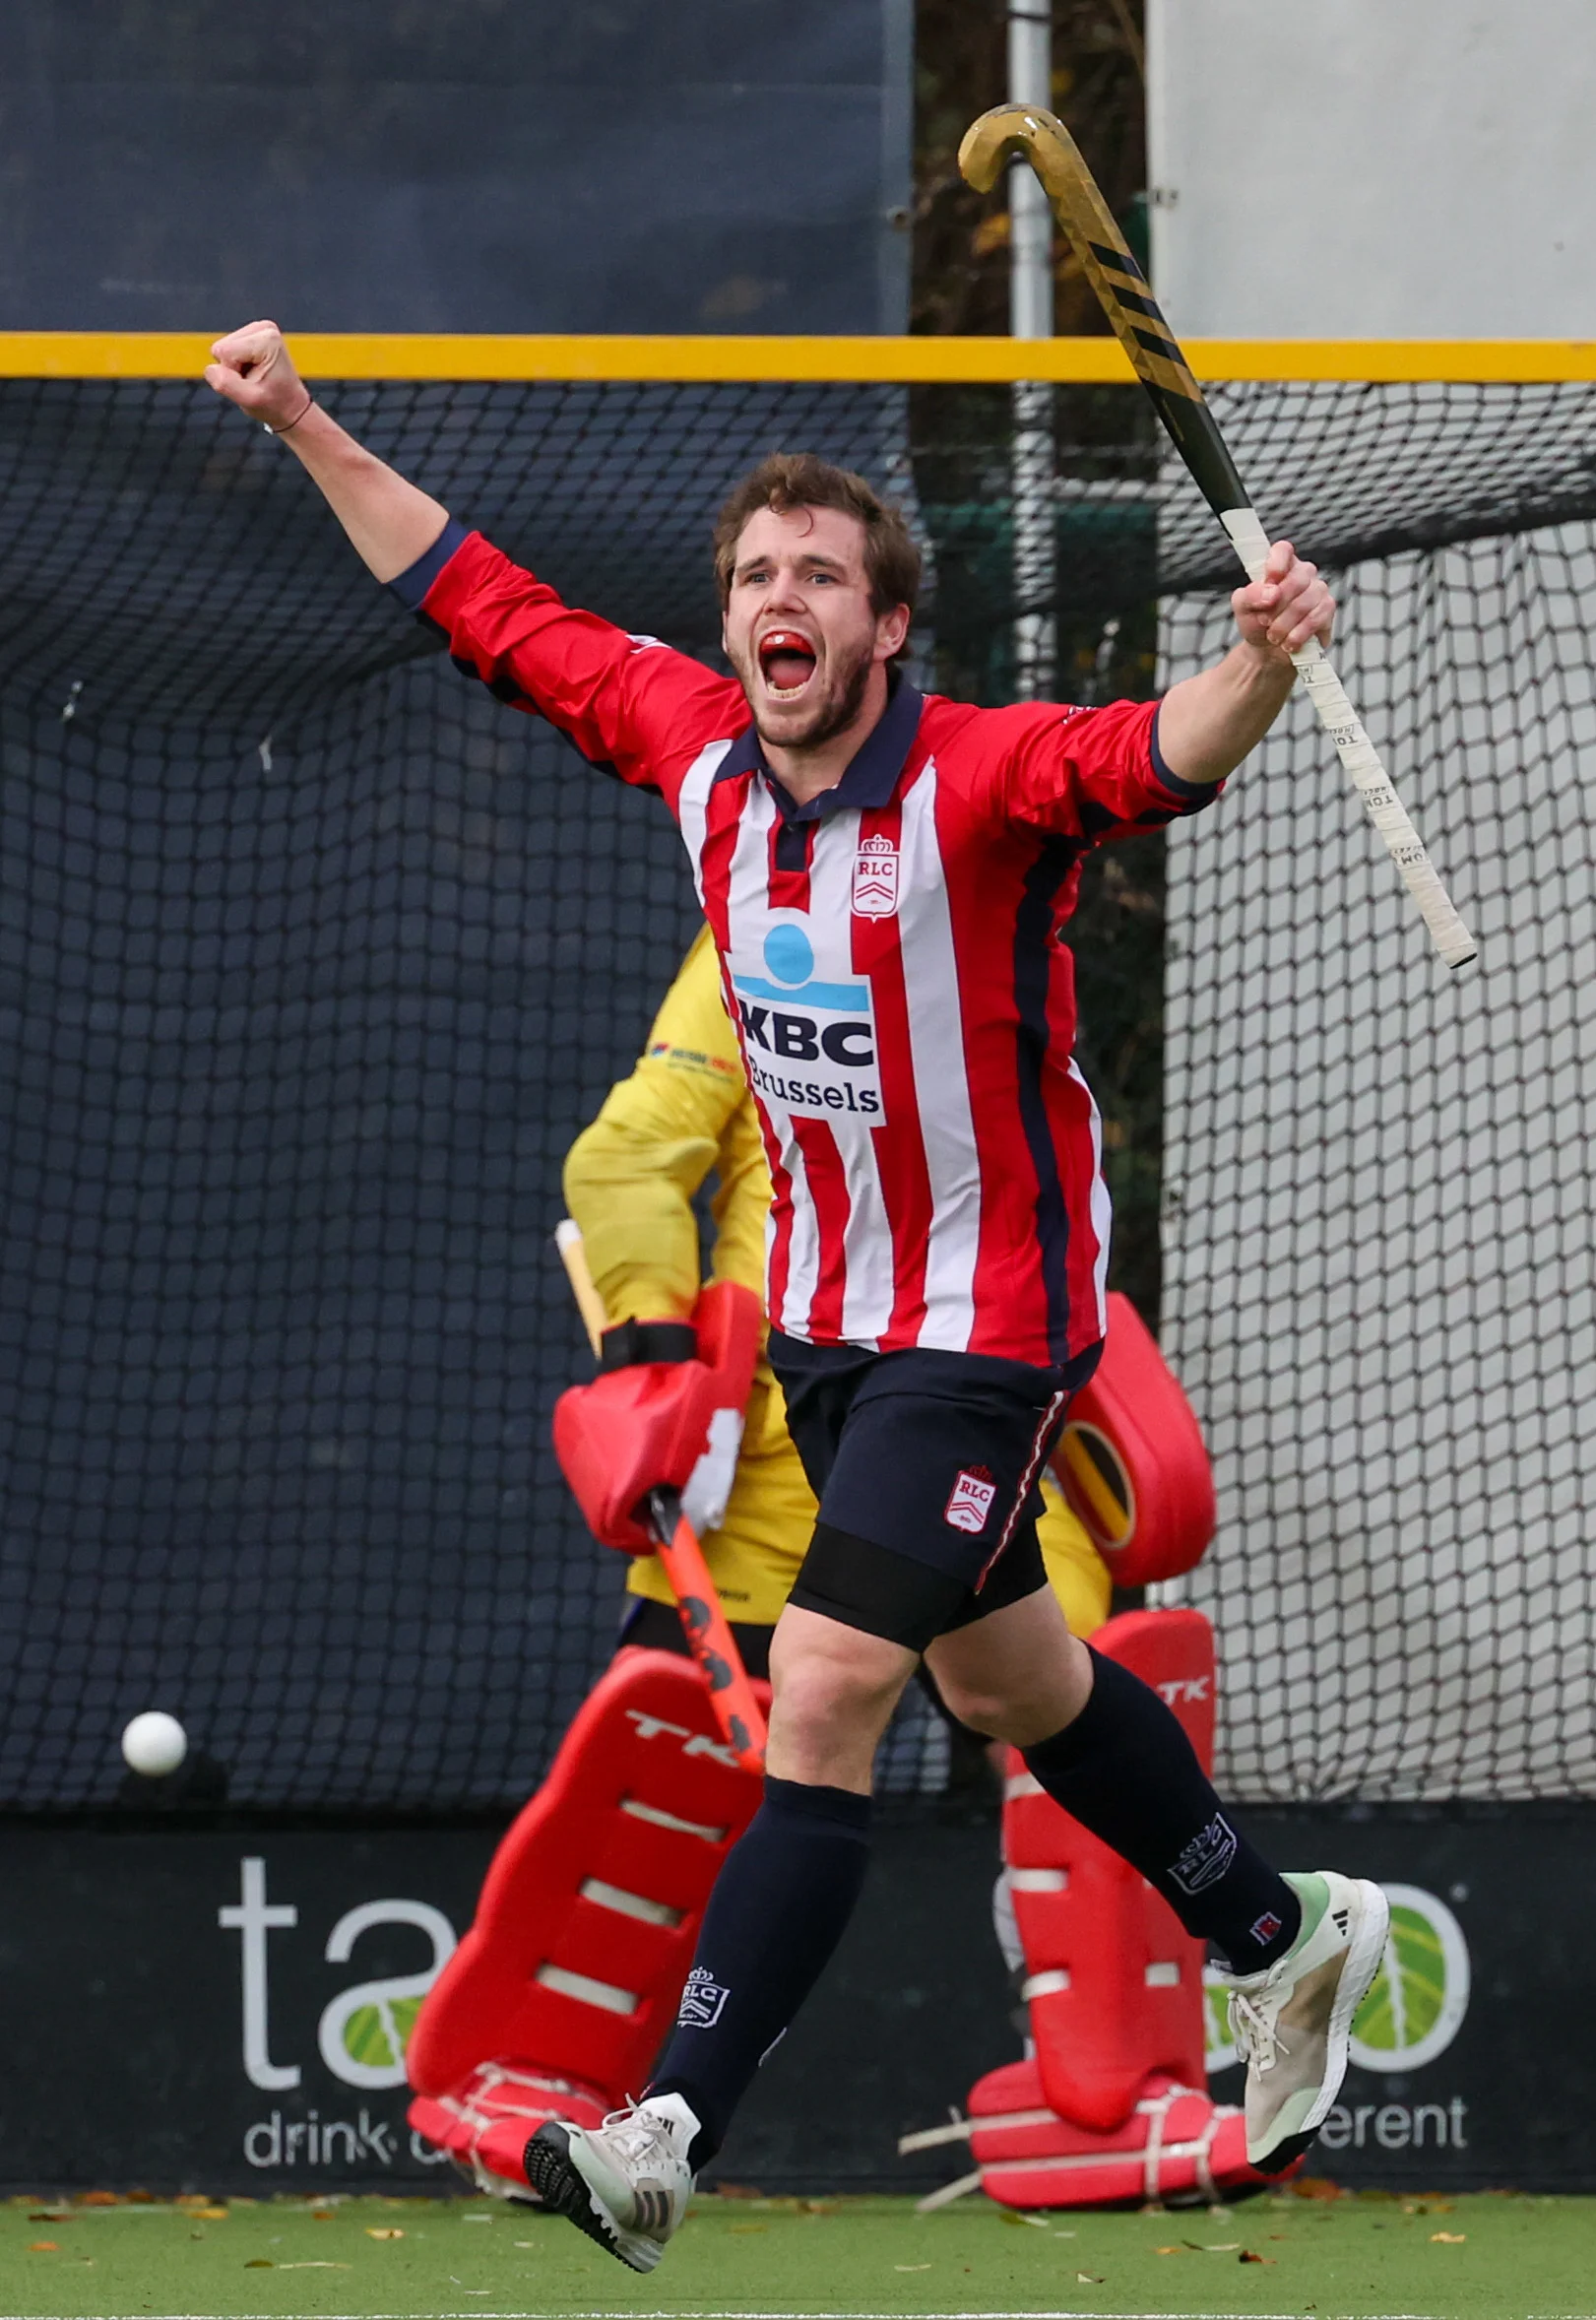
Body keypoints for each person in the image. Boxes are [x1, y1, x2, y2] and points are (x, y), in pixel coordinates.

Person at [205, 322, 1390, 2272]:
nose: (780, 599)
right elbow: (479, 598)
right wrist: (307, 419)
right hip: (835, 1350)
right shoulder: (695, 750)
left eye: (820, 576)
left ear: (887, 627)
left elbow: (1151, 755)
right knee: (1014, 1681)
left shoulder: (987, 776)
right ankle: (1279, 1927)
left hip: (989, 1333)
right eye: (757, 575)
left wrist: (1258, 656)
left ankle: (671, 2131)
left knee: (822, 1688)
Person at [408, 927, 1257, 2207]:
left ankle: (1130, 2085)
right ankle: (560, 2088)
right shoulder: (770, 906)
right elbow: (633, 1150)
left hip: (971, 1410)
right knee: (696, 1741)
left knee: (1039, 1705)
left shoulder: (991, 875)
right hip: (801, 1448)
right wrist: (649, 1354)